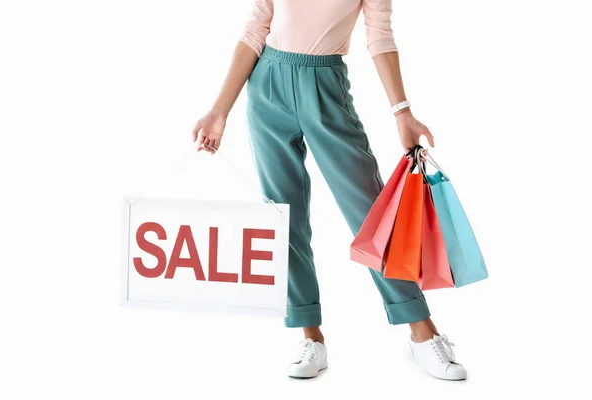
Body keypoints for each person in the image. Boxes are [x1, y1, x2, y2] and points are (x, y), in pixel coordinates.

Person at [193, 0, 467, 381]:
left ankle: (422, 332)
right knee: (284, 217)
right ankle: (311, 336)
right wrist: (219, 111)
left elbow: (380, 36)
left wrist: (401, 111)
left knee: (372, 213)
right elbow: (256, 28)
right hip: (266, 85)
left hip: (325, 85)